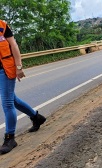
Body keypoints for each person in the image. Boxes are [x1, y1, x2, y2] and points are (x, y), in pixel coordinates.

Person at [0, 20, 46, 154]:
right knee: (13, 100)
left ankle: (10, 138)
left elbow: (13, 45)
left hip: (6, 69)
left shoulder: (2, 25)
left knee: (7, 103)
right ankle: (36, 117)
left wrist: (19, 67)